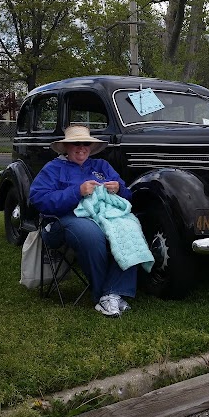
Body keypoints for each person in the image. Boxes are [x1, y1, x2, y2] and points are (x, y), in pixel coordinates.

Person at [29, 125, 137, 317]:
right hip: (60, 221)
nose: (81, 148)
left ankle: (111, 293)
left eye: (85, 143)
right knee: (90, 234)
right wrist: (77, 192)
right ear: (66, 147)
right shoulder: (53, 168)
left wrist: (118, 189)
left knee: (131, 228)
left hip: (103, 216)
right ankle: (104, 295)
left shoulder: (101, 166)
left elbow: (127, 195)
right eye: (75, 144)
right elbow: (38, 199)